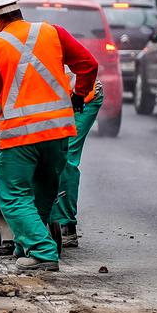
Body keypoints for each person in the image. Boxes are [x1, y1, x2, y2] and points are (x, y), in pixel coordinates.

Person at [0, 0, 98, 271]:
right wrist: (78, 96)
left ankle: (41, 252)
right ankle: (27, 243)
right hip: (58, 134)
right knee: (44, 191)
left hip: (20, 136)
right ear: (17, 9)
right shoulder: (53, 32)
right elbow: (88, 64)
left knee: (12, 195)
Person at [52, 80, 103, 247]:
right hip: (55, 100)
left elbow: (88, 65)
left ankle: (66, 225)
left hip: (82, 98)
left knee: (65, 157)